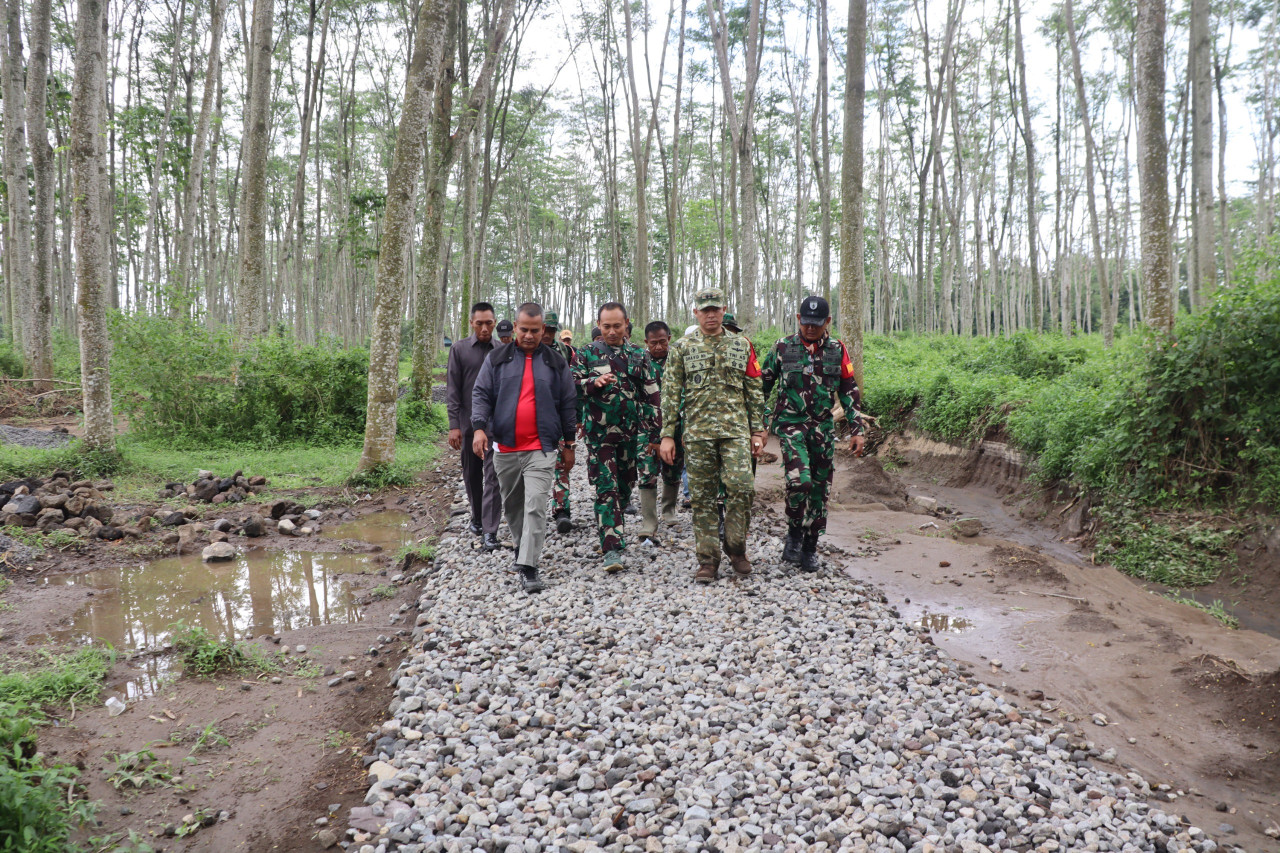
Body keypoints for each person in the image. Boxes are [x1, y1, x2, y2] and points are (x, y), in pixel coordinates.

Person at [660, 288, 766, 583]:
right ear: (696, 312)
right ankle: (708, 560)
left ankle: (736, 549)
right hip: (698, 434)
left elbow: (754, 389)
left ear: (723, 310)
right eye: (704, 310)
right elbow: (670, 392)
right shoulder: (681, 347)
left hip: (735, 432)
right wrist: (668, 434)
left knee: (742, 487)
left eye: (715, 309)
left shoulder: (741, 344)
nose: (710, 314)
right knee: (702, 498)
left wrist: (758, 430)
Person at [471, 303, 577, 593]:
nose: (529, 336)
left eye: (535, 330)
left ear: (544, 330)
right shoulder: (496, 359)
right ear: (515, 327)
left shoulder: (555, 362)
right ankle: (521, 548)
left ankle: (529, 566)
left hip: (541, 448)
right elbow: (481, 394)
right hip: (505, 448)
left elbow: (568, 403)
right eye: (524, 330)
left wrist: (569, 443)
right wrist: (479, 427)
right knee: (514, 507)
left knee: (535, 506)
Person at [760, 295, 866, 572]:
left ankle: (810, 546)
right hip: (790, 426)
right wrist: (759, 424)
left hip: (822, 429)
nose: (810, 328)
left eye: (816, 324)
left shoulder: (837, 350)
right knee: (800, 482)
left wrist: (857, 429)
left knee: (820, 490)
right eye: (805, 322)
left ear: (827, 321)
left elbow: (849, 389)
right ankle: (794, 533)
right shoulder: (783, 347)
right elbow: (761, 387)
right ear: (798, 319)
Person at [573, 302, 661, 572]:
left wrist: (655, 433)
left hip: (630, 435)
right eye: (606, 326)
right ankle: (612, 548)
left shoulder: (639, 355)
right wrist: (592, 383)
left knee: (625, 486)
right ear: (599, 325)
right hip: (599, 437)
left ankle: (614, 523)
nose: (611, 331)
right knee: (606, 489)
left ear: (626, 324)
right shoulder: (586, 353)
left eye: (617, 326)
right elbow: (571, 384)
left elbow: (651, 394)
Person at [445, 302, 501, 551]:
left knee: (493, 476)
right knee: (472, 474)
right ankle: (477, 516)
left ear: (495, 323)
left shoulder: (502, 350)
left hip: (494, 426)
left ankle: (490, 527)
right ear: (471, 323)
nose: (485, 328)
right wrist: (454, 425)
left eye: (489, 323)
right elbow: (453, 390)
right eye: (479, 323)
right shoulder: (459, 350)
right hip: (468, 424)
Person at [637, 321, 682, 532]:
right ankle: (649, 521)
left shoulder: (678, 358)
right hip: (647, 426)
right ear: (646, 342)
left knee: (673, 468)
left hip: (675, 424)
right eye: (653, 343)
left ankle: (668, 510)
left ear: (669, 339)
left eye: (662, 342)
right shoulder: (639, 360)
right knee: (647, 472)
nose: (658, 347)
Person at [543, 311, 580, 534]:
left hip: (558, 416)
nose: (547, 334)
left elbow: (572, 387)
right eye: (545, 329)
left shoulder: (564, 351)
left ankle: (561, 510)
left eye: (551, 330)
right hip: (533, 419)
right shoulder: (528, 350)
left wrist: (575, 418)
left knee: (562, 466)